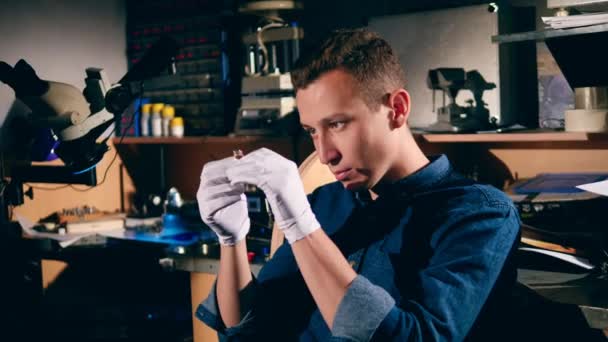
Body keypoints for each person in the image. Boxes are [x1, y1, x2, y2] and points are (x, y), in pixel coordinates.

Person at [195, 28, 522, 341]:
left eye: (337, 124)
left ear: (397, 109)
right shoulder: (322, 203)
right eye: (312, 131)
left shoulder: (480, 215)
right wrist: (232, 240)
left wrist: (300, 225)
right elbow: (253, 330)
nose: (324, 155)